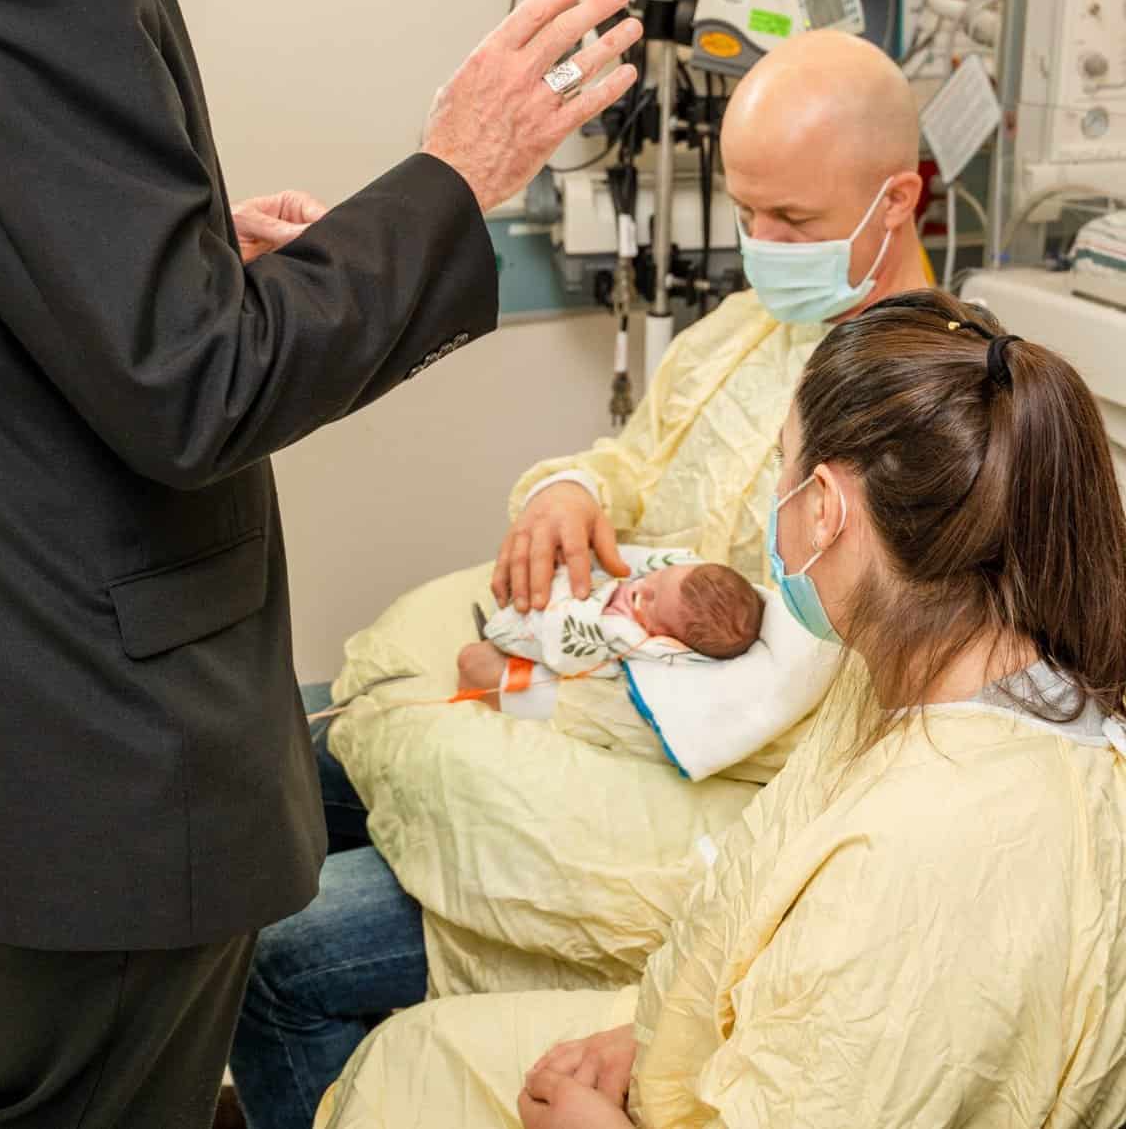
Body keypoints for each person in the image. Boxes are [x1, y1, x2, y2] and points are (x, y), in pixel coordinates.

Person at [0, 0, 643, 1129]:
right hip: (99, 747)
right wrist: (455, 177)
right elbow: (197, 388)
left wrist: (181, 255)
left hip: (10, 724)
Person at [229, 30, 931, 1129]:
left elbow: (828, 704)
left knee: (276, 961)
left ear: (900, 196)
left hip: (710, 799)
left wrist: (576, 695)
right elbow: (632, 468)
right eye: (745, 212)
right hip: (600, 688)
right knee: (296, 761)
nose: (761, 246)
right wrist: (565, 493)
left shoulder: (929, 412)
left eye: (792, 221)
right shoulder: (748, 330)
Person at [319, 292, 1126, 1129]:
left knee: (374, 1051)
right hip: (700, 1052)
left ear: (824, 506)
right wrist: (649, 1036)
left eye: (779, 465)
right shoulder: (924, 675)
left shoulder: (930, 856)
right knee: (410, 1053)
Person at [464, 550, 764, 710]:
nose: (645, 587)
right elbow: (637, 566)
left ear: (666, 638)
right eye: (661, 579)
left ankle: (504, 636)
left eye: (653, 601)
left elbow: (578, 644)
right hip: (578, 590)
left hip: (555, 630)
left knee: (481, 656)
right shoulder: (673, 582)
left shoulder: (629, 636)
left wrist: (587, 608)